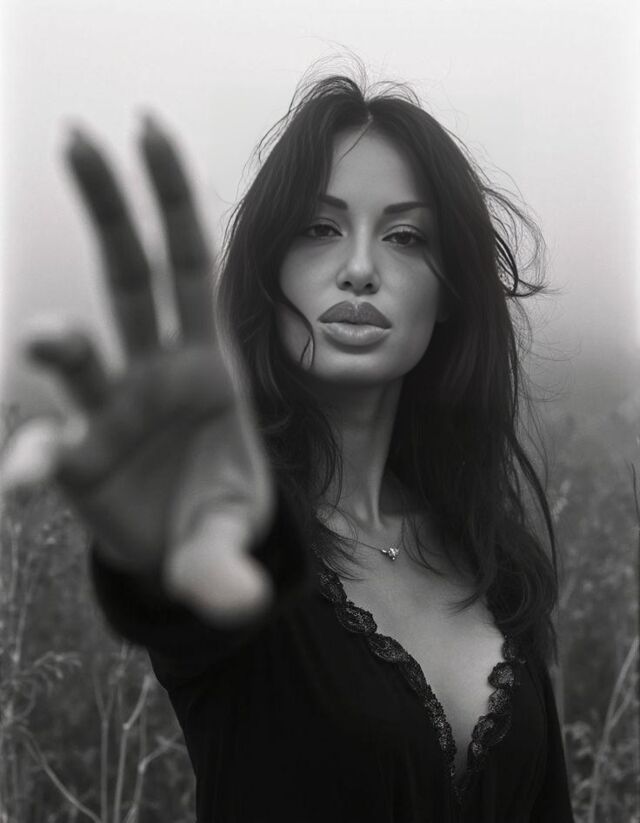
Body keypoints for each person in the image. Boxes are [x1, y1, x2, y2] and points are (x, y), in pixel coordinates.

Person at [3, 68, 576, 821]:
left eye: (405, 236)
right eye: (320, 228)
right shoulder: (244, 534)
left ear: (449, 293)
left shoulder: (490, 554)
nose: (360, 269)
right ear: (270, 269)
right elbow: (195, 593)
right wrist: (168, 546)